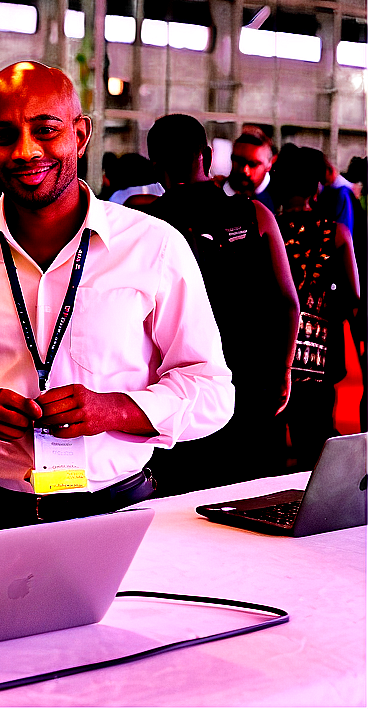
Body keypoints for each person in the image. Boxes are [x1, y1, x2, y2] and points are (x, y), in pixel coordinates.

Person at [0, 62, 234, 530]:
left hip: (120, 513)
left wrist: (115, 409)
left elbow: (212, 390)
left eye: (46, 130)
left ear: (80, 134)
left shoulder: (153, 246)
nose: (26, 151)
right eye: (3, 135)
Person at [145, 115, 299, 492]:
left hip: (179, 387)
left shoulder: (144, 225)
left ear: (154, 165)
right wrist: (283, 370)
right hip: (251, 378)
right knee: (253, 491)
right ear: (209, 156)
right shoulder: (255, 213)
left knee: (183, 501)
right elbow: (289, 304)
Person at [275, 146, 360, 470]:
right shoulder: (335, 231)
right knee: (316, 446)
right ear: (315, 187)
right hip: (320, 356)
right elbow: (353, 296)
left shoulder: (267, 228)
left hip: (273, 350)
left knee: (270, 448)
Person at [222, 127, 276, 212]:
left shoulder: (280, 198)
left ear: (269, 165)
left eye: (253, 164)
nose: (244, 170)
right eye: (239, 161)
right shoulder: (217, 191)